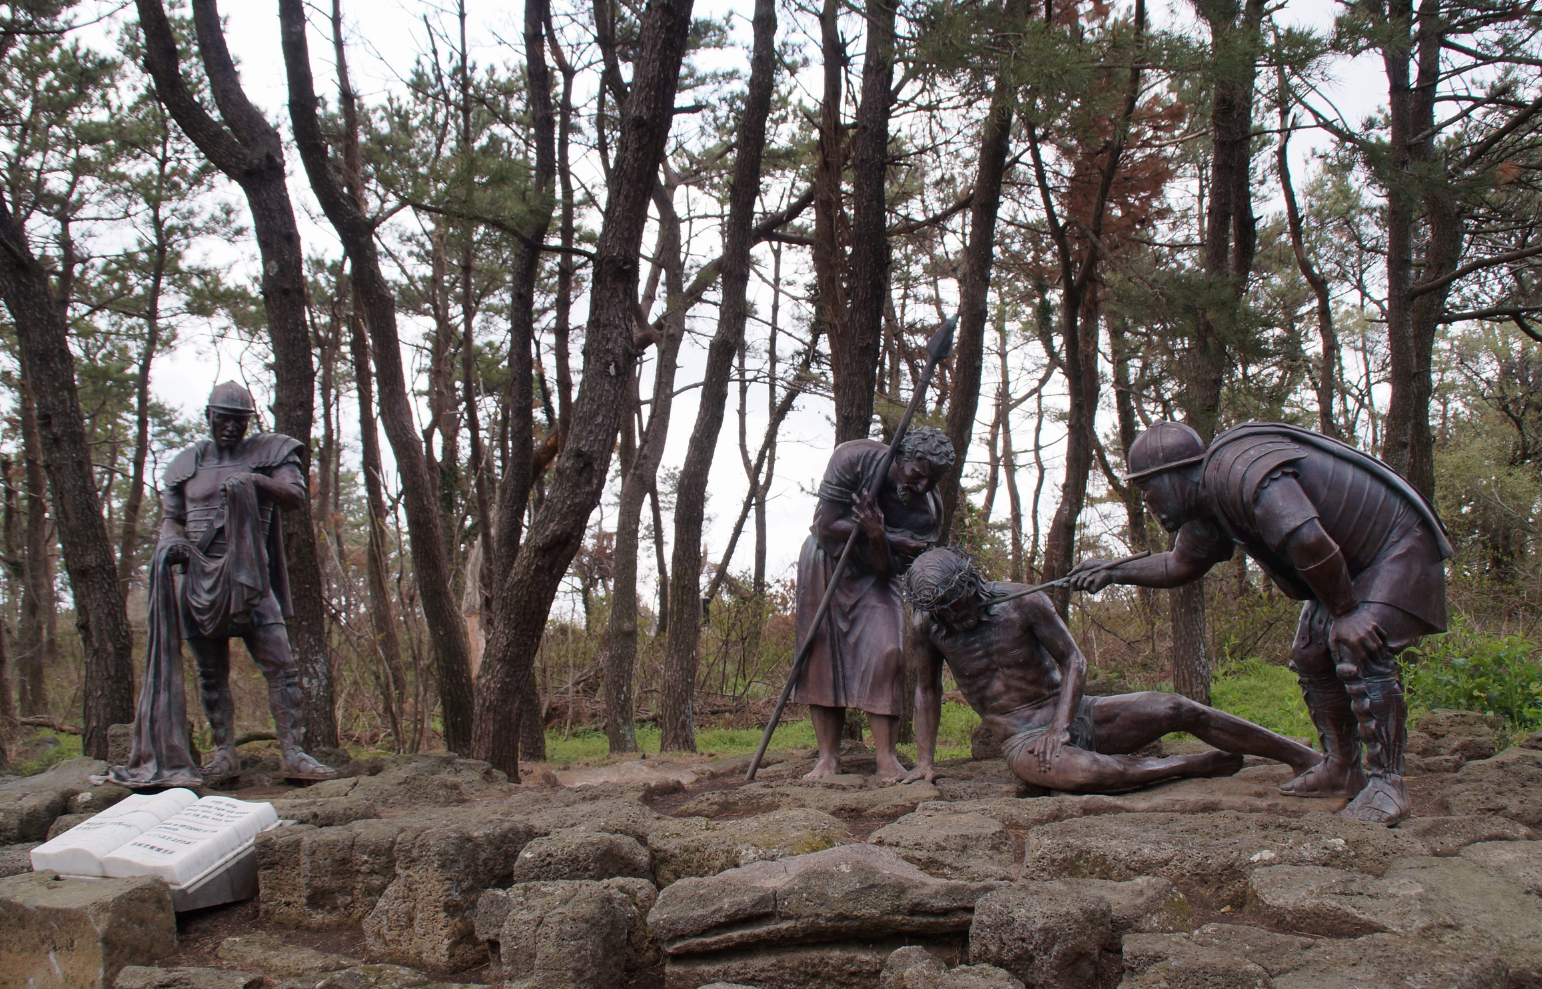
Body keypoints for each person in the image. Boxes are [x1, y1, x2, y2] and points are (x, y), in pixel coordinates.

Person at [1069, 421, 1451, 824]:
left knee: (1356, 646)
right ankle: (1342, 768)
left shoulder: (1241, 472)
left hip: (1393, 548)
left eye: (1147, 488)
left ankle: (1388, 784)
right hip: (1344, 565)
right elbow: (1178, 564)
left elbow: (1309, 540)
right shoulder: (1207, 506)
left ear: (1174, 476)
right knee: (1310, 654)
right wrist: (1112, 571)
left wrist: (1347, 613)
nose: (1146, 500)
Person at [900, 547, 1321, 792]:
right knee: (1089, 772)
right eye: (942, 612)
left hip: (1077, 713)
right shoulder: (927, 627)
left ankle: (1303, 757)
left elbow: (1074, 661)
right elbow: (926, 690)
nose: (954, 617)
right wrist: (924, 762)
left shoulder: (1024, 600)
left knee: (1175, 706)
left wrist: (1061, 726)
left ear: (971, 583)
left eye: (957, 605)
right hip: (1022, 740)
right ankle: (1191, 766)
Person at [111, 382, 336, 786]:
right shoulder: (186, 464)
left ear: (249, 421)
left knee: (282, 665)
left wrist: (253, 482)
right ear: (209, 417)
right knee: (210, 673)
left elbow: (294, 495)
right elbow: (171, 519)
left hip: (251, 577)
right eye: (223, 419)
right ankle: (224, 753)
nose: (231, 427)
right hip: (197, 580)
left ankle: (293, 752)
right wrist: (174, 544)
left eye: (239, 420)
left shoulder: (270, 452)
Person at [794, 426, 954, 779]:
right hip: (826, 559)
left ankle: (887, 758)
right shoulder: (852, 458)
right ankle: (827, 758)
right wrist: (886, 534)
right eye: (918, 474)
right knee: (822, 657)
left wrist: (880, 535)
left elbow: (887, 568)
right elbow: (826, 525)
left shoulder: (927, 515)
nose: (923, 486)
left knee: (888, 653)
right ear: (900, 456)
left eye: (933, 480)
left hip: (877, 574)